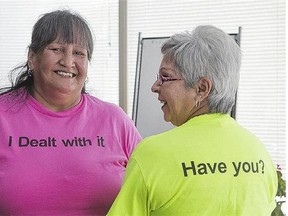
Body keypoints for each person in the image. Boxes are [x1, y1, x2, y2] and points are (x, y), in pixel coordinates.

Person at [107, 25, 278, 215]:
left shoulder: (152, 155)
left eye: (165, 77)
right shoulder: (259, 154)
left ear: (202, 89)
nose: (155, 87)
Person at [0, 9, 141, 216]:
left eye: (78, 53)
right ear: (32, 57)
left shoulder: (114, 120)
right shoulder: (3, 115)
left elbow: (152, 187)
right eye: (57, 49)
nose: (68, 62)